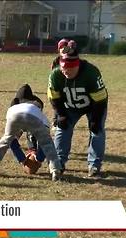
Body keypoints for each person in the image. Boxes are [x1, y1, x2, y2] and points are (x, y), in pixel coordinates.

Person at [47, 39, 108, 178]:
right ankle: (58, 163)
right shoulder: (56, 74)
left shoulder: (91, 73)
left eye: (69, 68)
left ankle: (94, 166)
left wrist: (96, 119)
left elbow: (100, 100)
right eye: (63, 68)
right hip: (69, 106)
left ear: (77, 66)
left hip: (94, 106)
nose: (65, 71)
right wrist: (60, 114)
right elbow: (54, 97)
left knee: (97, 131)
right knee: (62, 129)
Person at [0, 84, 63, 181]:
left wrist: (21, 159)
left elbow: (12, 141)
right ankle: (55, 171)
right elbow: (44, 142)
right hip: (33, 118)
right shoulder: (37, 110)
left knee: (4, 142)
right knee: (47, 143)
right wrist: (39, 158)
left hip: (13, 116)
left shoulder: (13, 108)